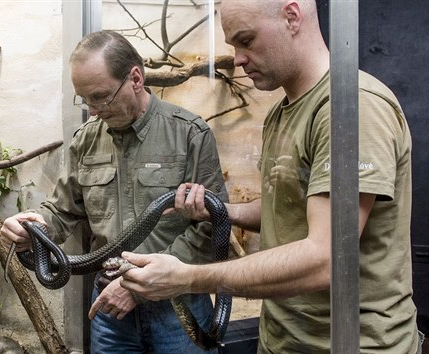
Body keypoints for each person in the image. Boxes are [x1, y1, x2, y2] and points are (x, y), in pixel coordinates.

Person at [118, 0, 423, 353]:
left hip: (351, 343)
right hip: (283, 339)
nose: (238, 58)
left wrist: (187, 278)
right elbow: (288, 208)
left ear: (291, 17)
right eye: (233, 45)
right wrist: (222, 211)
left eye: (246, 40)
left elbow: (325, 259)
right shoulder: (280, 114)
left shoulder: (351, 107)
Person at [0, 30, 228, 353]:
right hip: (110, 305)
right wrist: (34, 229)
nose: (92, 110)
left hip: (179, 307)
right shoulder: (86, 140)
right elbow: (63, 210)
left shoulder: (189, 133)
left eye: (100, 96)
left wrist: (138, 287)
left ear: (136, 78)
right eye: (85, 98)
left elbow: (212, 225)